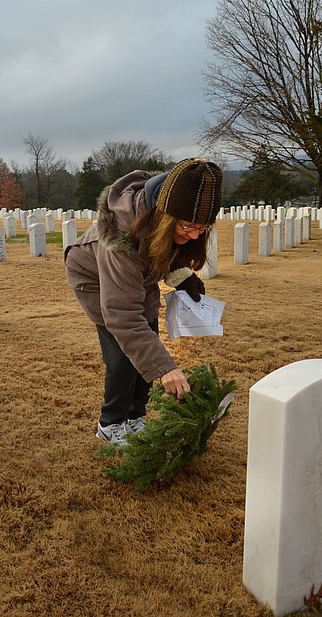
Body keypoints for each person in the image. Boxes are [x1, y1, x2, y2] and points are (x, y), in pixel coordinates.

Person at [64, 158, 223, 445]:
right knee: (123, 356)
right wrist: (165, 369)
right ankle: (111, 424)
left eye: (203, 227)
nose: (196, 234)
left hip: (142, 273)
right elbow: (122, 315)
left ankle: (135, 417)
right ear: (165, 217)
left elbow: (165, 248)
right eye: (188, 226)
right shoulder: (121, 239)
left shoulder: (169, 219)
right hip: (96, 278)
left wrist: (181, 275)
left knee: (149, 335)